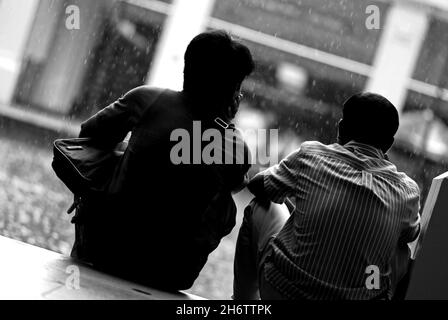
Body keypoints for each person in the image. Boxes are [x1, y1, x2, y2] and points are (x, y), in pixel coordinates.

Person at [70, 30, 254, 290]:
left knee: (115, 154)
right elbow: (236, 184)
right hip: (171, 273)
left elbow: (89, 135)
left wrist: (133, 153)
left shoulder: (148, 99)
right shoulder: (236, 146)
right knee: (224, 198)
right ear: (232, 91)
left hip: (103, 250)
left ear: (187, 70)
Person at [233, 92, 421, 300]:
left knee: (262, 203)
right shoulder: (406, 192)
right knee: (400, 250)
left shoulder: (312, 155)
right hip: (363, 290)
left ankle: (243, 302)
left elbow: (259, 185)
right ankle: (366, 289)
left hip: (282, 291)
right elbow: (411, 233)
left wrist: (302, 207)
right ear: (389, 144)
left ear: (341, 128)